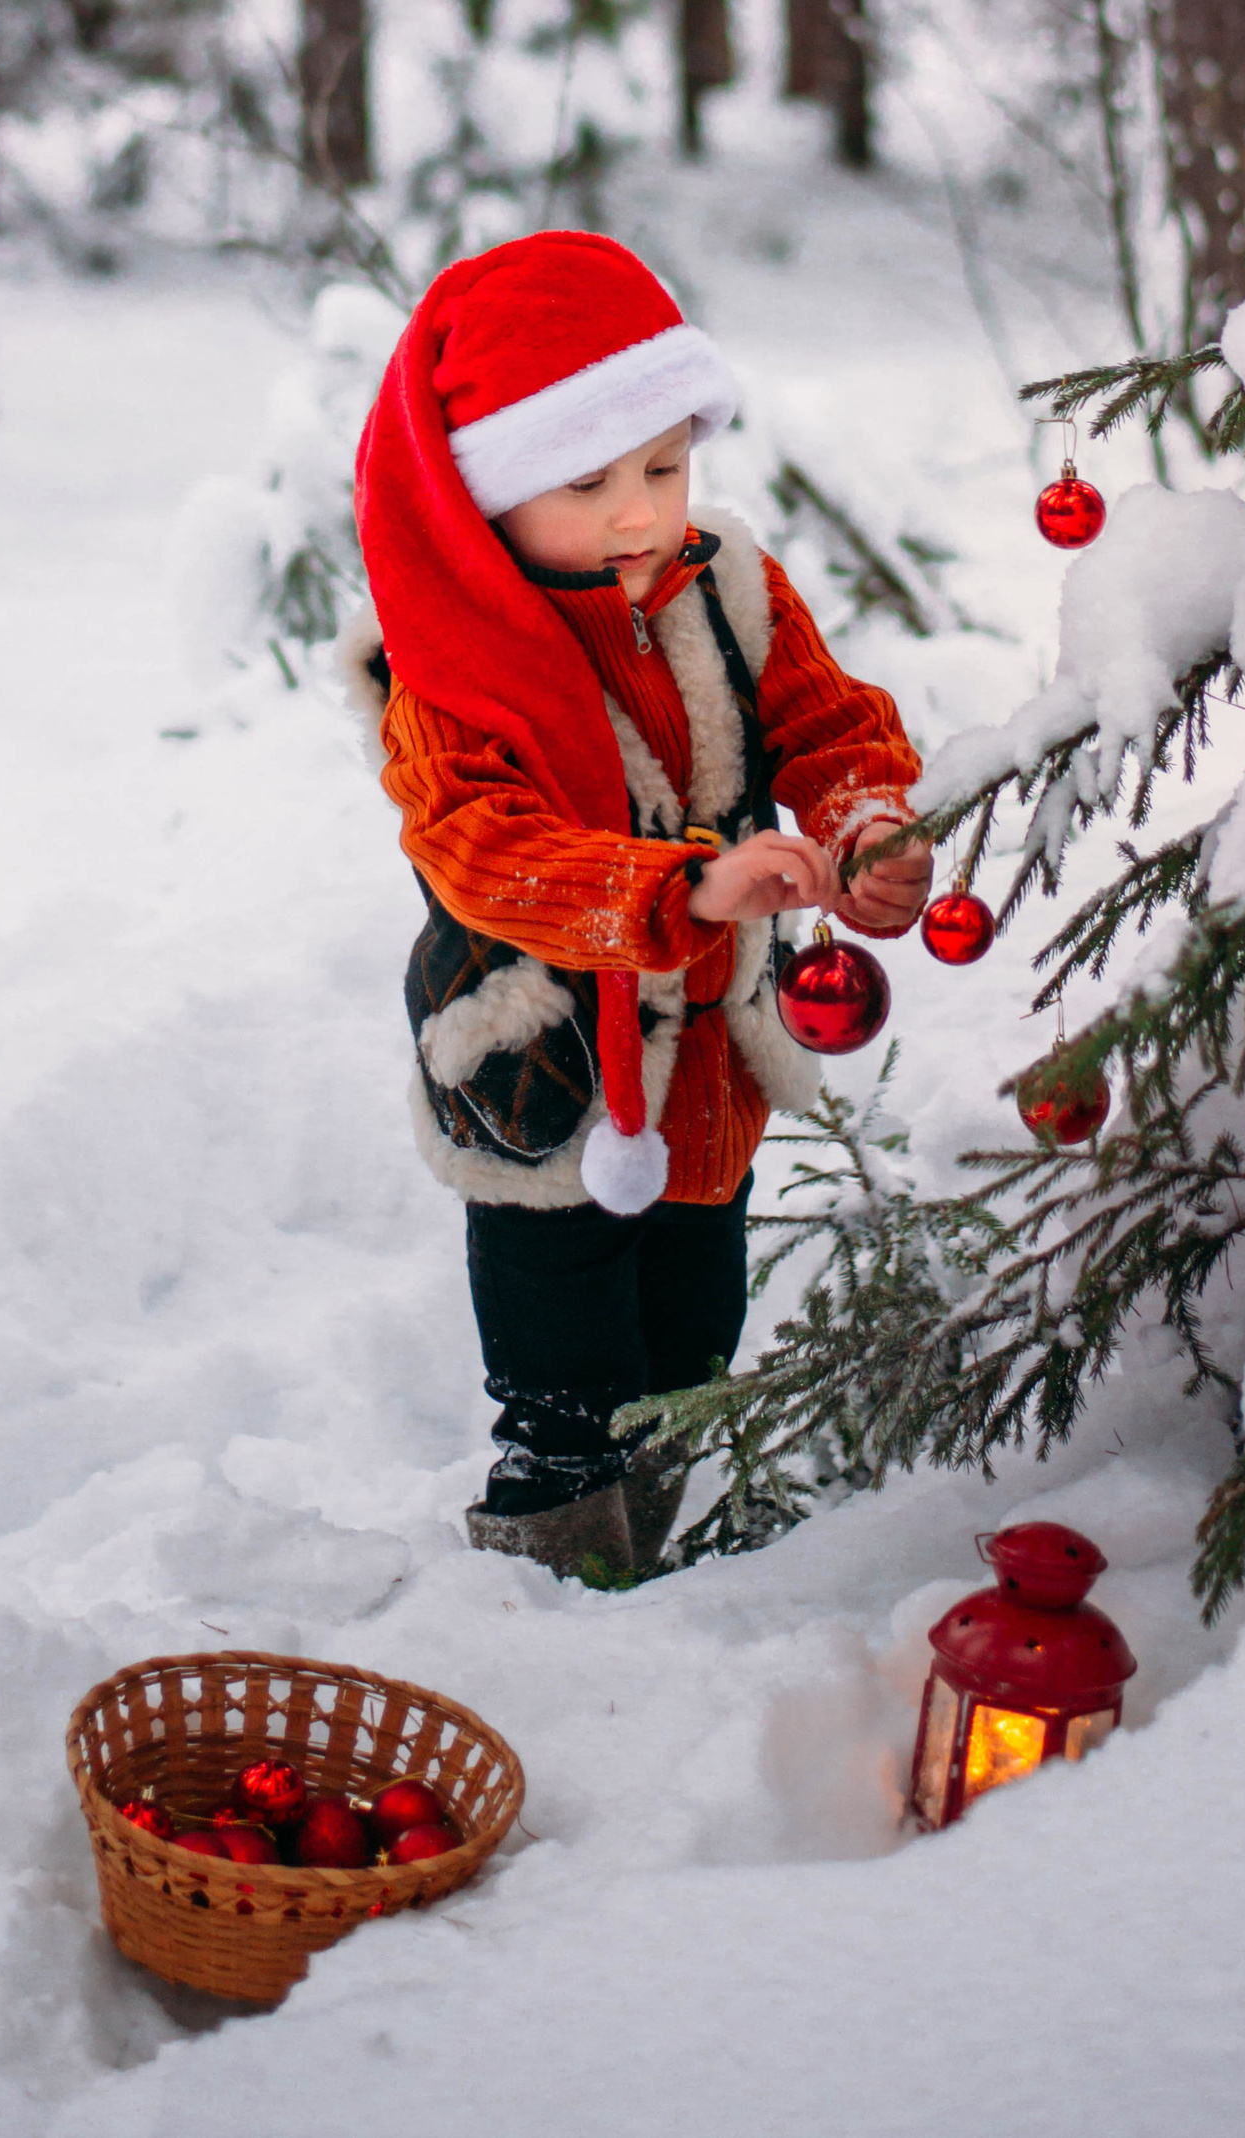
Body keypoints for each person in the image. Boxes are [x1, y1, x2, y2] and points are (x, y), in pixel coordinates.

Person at [347, 229, 929, 1580]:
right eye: (588, 480)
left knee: (690, 1299)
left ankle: (670, 1512)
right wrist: (683, 885)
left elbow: (826, 722)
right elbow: (484, 849)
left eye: (664, 466)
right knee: (563, 1324)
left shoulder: (721, 584)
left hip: (707, 1046)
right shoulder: (451, 661)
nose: (636, 511)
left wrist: (866, 822)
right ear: (489, 495)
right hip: (543, 1048)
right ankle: (554, 1535)